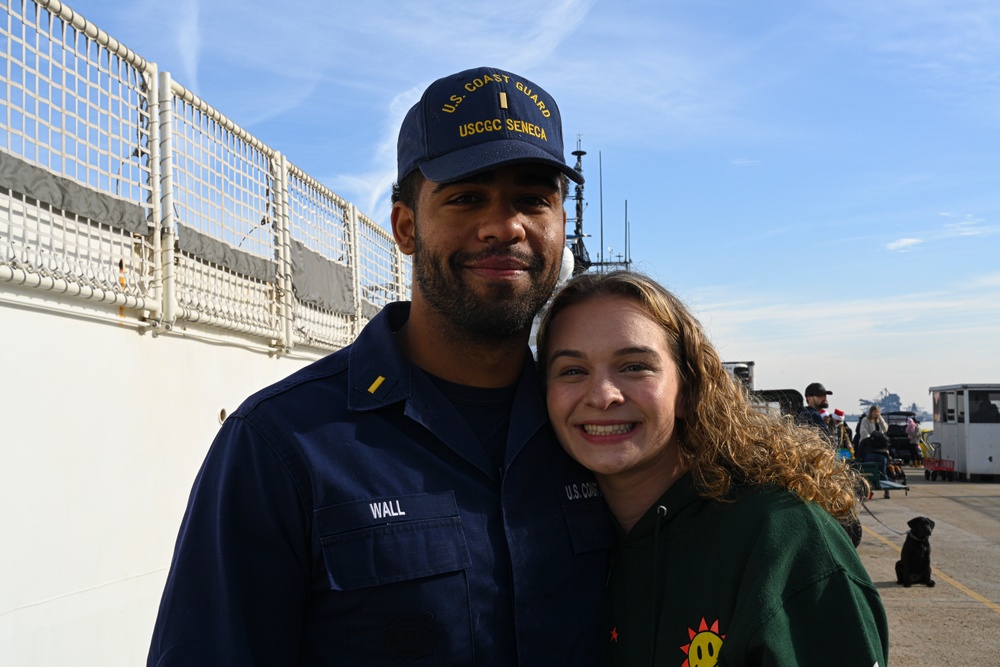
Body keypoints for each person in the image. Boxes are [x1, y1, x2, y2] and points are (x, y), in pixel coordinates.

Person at [146, 67, 611, 666]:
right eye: (467, 197)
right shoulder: (279, 446)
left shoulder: (593, 428)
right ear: (406, 226)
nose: (505, 225)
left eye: (533, 199)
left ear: (561, 226)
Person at [536, 271, 888, 667]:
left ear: (688, 390)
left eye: (634, 366)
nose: (602, 396)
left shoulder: (783, 541)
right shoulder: (554, 542)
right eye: (571, 371)